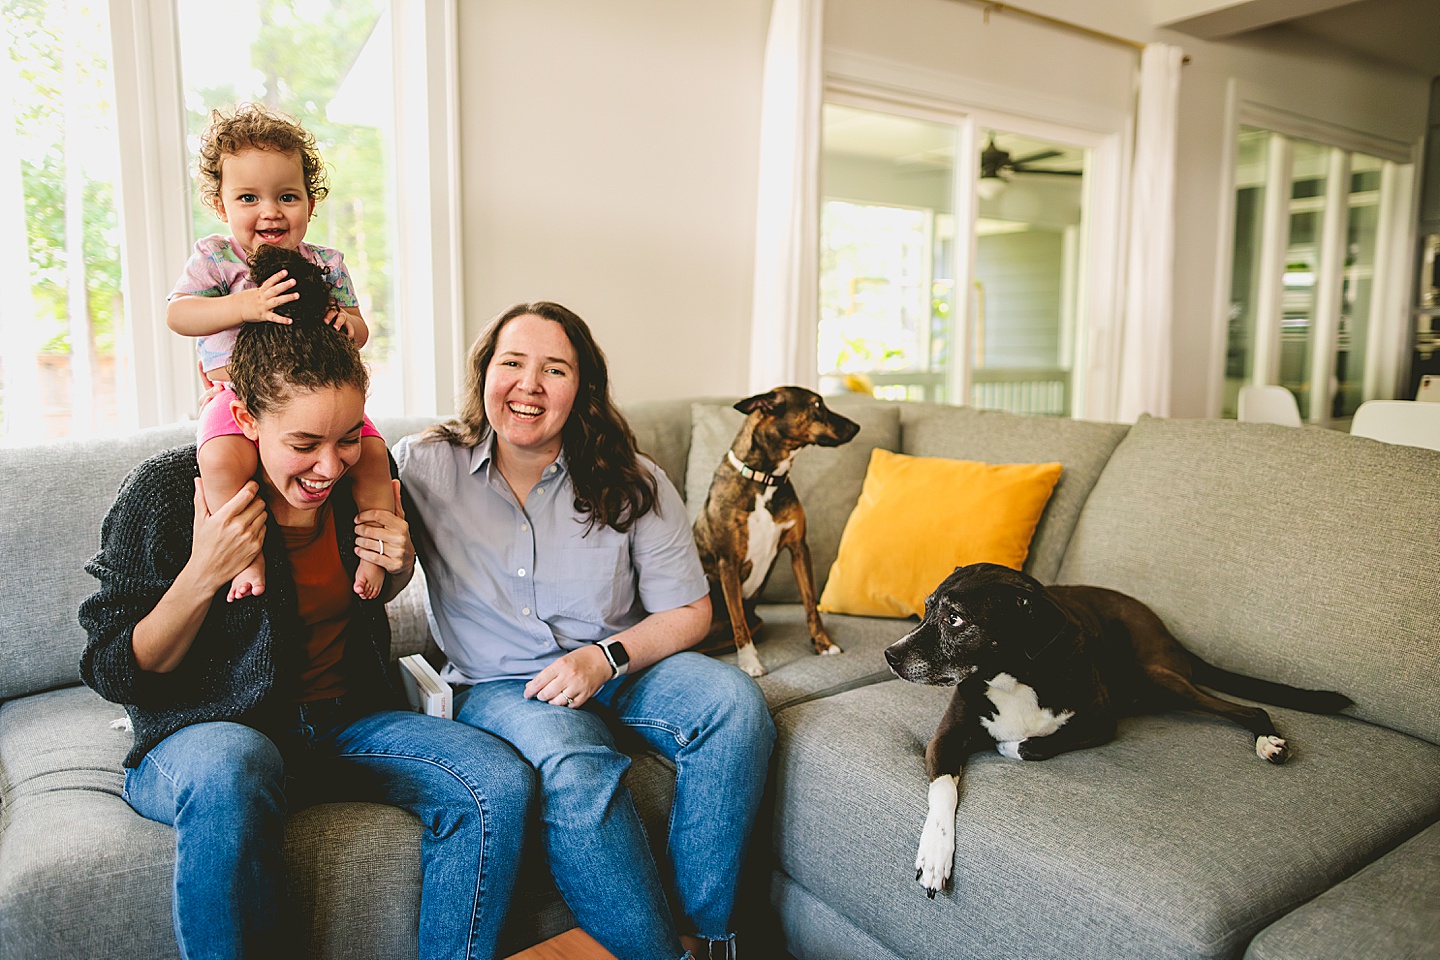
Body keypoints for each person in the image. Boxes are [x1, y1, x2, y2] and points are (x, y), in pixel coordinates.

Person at [79, 307, 535, 960]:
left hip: (344, 723)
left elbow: (362, 600)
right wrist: (203, 572)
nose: (330, 466)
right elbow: (112, 668)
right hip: (209, 736)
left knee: (498, 781)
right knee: (235, 767)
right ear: (244, 420)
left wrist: (398, 566)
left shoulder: (363, 487)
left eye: (349, 437)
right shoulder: (164, 493)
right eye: (304, 444)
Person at [394, 302, 776, 960]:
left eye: (555, 368)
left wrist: (606, 658)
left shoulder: (633, 478)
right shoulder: (425, 465)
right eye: (511, 362)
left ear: (583, 387)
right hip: (502, 685)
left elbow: (690, 611)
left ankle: (709, 937)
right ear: (484, 372)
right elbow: (328, 465)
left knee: (736, 706)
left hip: (623, 666)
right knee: (574, 764)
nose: (529, 384)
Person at [166, 101, 394, 603]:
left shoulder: (326, 263)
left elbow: (358, 327)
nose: (269, 210)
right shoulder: (217, 260)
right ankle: (244, 558)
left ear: (310, 205)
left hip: (319, 401)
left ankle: (375, 553)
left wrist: (345, 326)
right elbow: (178, 315)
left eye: (287, 196)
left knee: (375, 456)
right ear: (223, 207)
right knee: (222, 460)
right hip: (235, 393)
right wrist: (243, 305)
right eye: (248, 197)